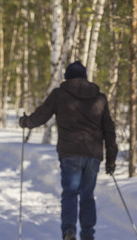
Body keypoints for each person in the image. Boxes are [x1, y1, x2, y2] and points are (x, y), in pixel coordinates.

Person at [19, 61, 118, 240]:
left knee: (70, 193)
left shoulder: (60, 95)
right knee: (87, 196)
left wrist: (26, 122)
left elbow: (41, 115)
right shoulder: (100, 98)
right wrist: (111, 159)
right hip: (93, 155)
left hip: (70, 153)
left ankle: (69, 231)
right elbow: (109, 129)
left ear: (67, 77)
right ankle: (88, 234)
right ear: (85, 77)